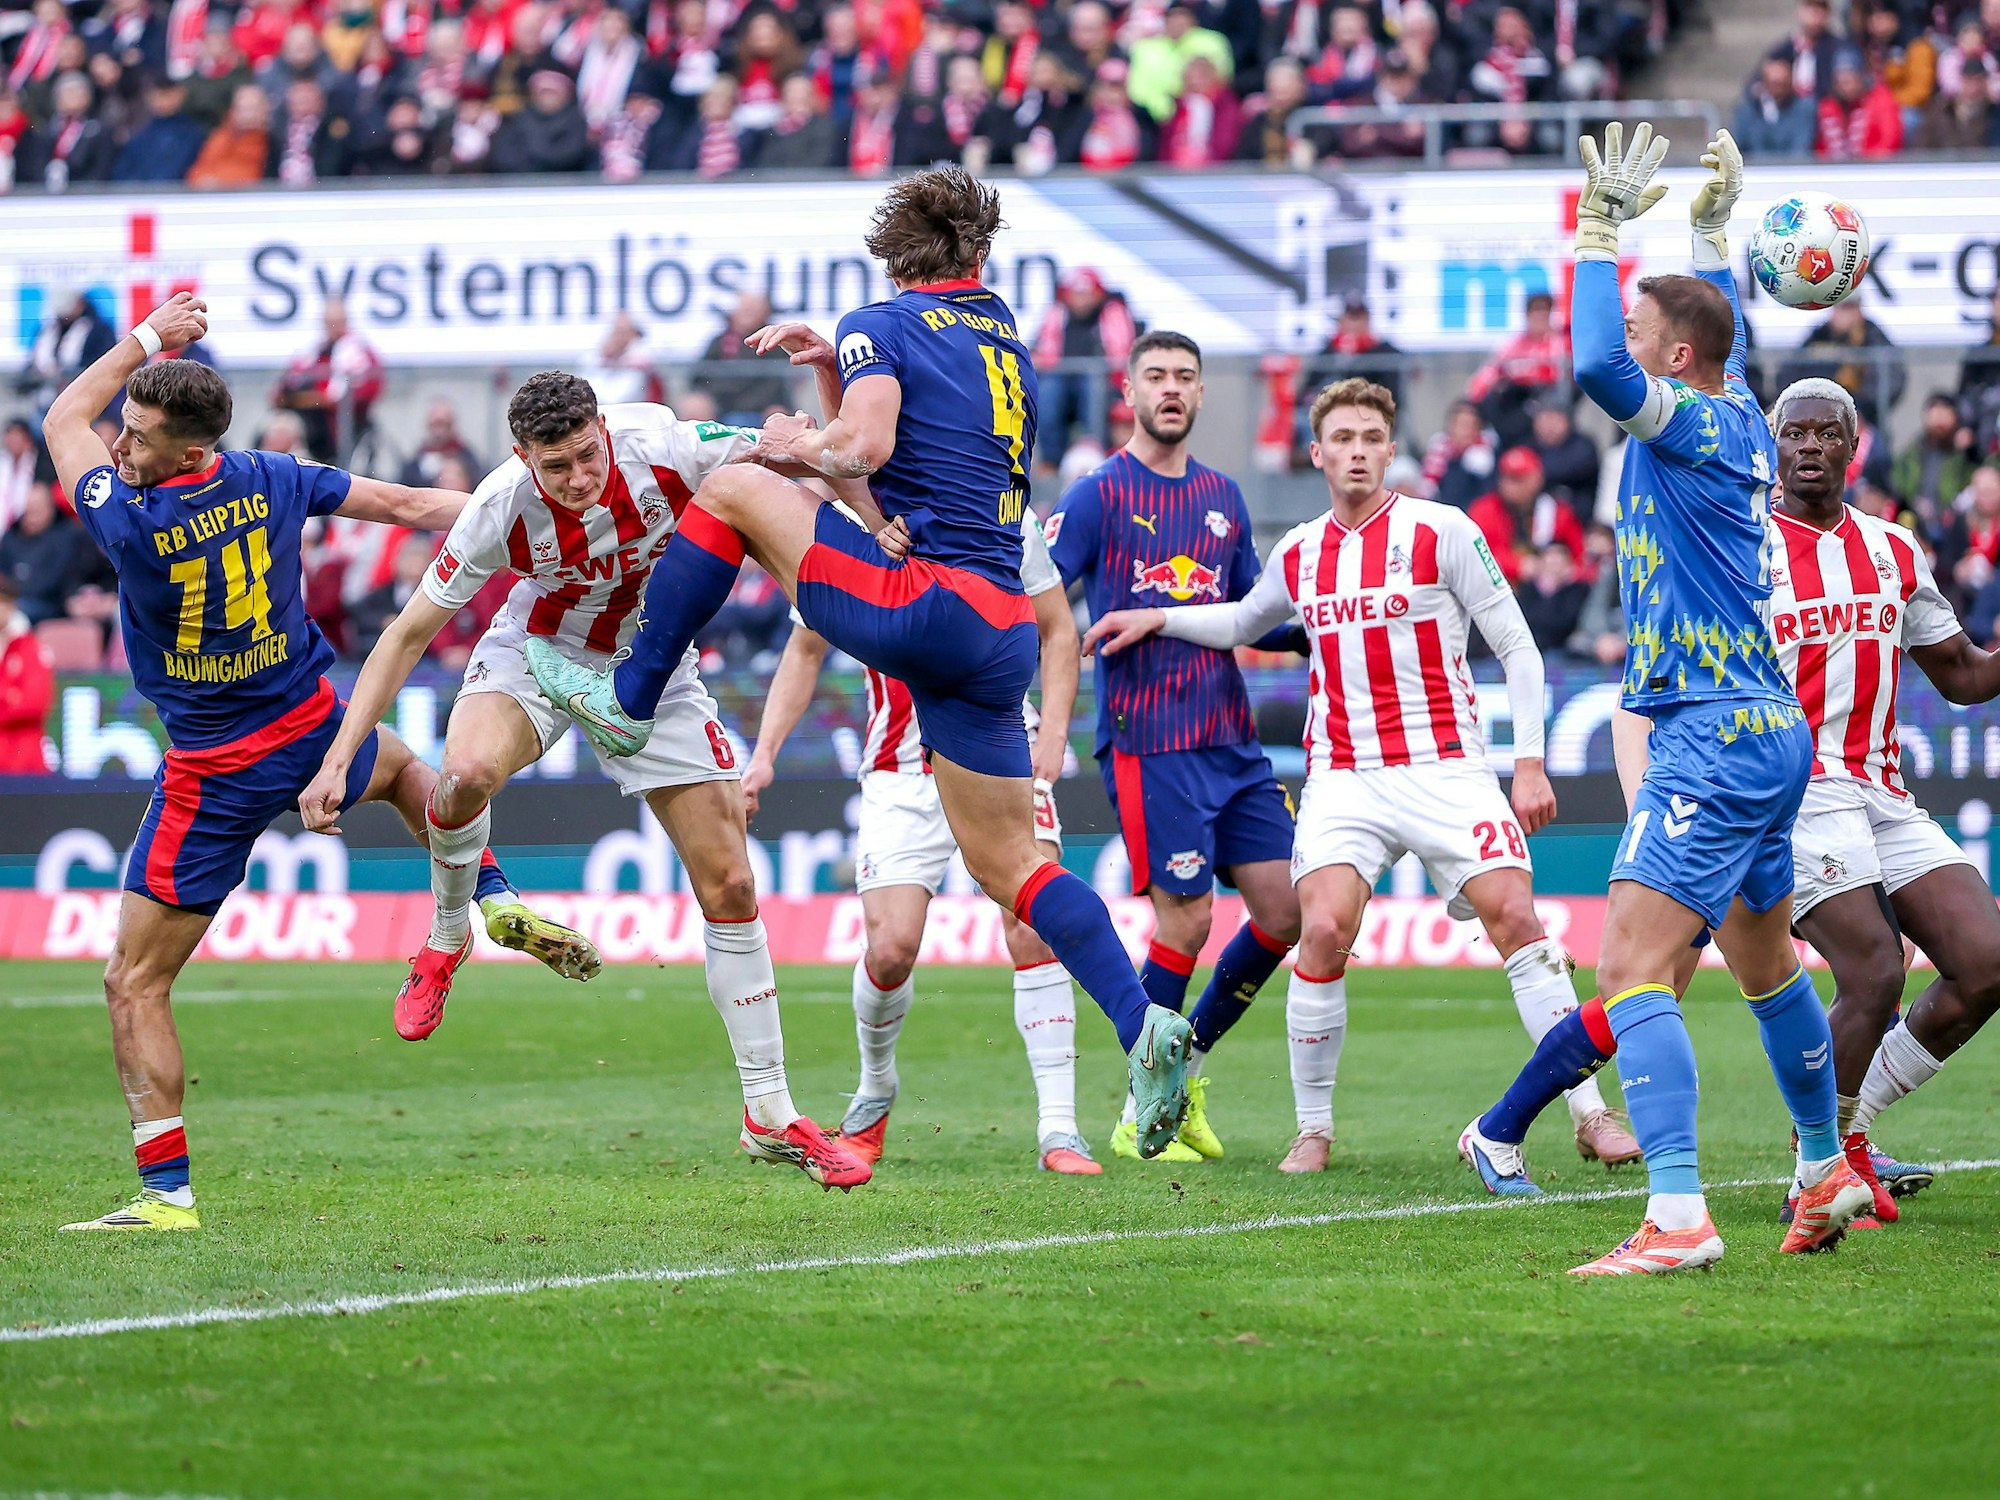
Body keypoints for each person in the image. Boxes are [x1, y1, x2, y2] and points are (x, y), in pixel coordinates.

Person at [524, 167, 1198, 1160]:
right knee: (1012, 865)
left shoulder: (875, 321)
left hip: (920, 605)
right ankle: (1140, 1024)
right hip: (994, 623)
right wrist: (830, 383)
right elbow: (906, 445)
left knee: (738, 484)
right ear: (974, 255)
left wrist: (803, 433)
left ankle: (629, 697)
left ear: (891, 253)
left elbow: (863, 446)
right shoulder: (999, 323)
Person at [40, 293, 595, 1234]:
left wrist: (146, 338)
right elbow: (416, 505)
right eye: (123, 432)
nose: (122, 447)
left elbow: (61, 417)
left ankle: (166, 1196)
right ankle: (490, 895)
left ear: (184, 452)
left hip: (212, 769)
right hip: (311, 725)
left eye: (137, 435)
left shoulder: (126, 517)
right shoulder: (269, 474)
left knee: (132, 983)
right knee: (415, 775)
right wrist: (547, 518)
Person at [1457, 125, 1871, 1274]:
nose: (1623, 347)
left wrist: (1593, 235)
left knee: (1627, 973)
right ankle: (1820, 1162)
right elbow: (1712, 335)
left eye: (1645, 335)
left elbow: (1596, 370)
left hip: (1707, 732)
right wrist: (1703, 233)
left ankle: (1677, 1217)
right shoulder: (1730, 403)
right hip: (1762, 727)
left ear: (1674, 360)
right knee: (1766, 965)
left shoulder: (1686, 417)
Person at [298, 375, 870, 1192]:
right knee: (462, 776)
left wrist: (881, 526)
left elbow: (805, 454)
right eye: (554, 466)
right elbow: (404, 636)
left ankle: (768, 1112)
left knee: (733, 880)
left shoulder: (672, 447)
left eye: (585, 454)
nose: (576, 477)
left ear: (606, 427)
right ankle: (449, 933)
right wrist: (335, 758)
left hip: (651, 668)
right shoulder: (498, 507)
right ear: (521, 459)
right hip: (535, 655)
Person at [1084, 377, 1639, 1175]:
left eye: (1370, 438)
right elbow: (1244, 621)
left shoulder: (1442, 530)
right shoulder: (1301, 550)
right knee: (1321, 929)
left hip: (1448, 767)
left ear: (1389, 449)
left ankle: (1591, 1112)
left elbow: (1517, 645)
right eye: (1340, 438)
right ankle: (1313, 1130)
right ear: (1317, 453)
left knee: (1516, 915)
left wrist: (1527, 761)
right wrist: (1160, 616)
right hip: (1346, 776)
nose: (1355, 451)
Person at [743, 508, 1103, 1175]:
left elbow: (1058, 629)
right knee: (890, 951)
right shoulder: (847, 524)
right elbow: (806, 647)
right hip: (900, 771)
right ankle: (876, 1088)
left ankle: (1060, 1127)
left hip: (1002, 750)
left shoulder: (1000, 511)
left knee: (1033, 929)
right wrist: (764, 754)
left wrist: (1053, 734)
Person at [1046, 331, 1303, 1164]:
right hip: (1152, 743)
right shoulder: (1096, 497)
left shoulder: (1223, 496)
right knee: (1186, 923)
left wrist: (1318, 628)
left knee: (1285, 911)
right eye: (1155, 376)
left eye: (1185, 378)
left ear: (1198, 395)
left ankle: (1180, 1071)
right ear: (1128, 391)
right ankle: (1140, 1105)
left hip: (1230, 743)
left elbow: (1253, 611)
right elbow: (1042, 602)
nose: (1171, 389)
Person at [1762, 378, 1999, 1220]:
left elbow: (1965, 675)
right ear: (1775, 445)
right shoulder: (1741, 547)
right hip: (1794, 791)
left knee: (1987, 962)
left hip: (1882, 791)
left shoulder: (1894, 552)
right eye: (1796, 433)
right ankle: (1815, 1166)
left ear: (1854, 448)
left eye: (1829, 432)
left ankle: (1846, 1131)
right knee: (1874, 970)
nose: (1812, 445)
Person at [1466, 446, 1586, 584]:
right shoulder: (1483, 510)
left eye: (1518, 479)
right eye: (1506, 477)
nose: (1509, 486)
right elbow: (1476, 555)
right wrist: (1519, 566)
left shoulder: (1557, 512)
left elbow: (1581, 560)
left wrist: (1564, 569)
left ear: (1537, 479)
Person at [0, 482, 83, 623]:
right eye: (28, 511)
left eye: (37, 511)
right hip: (11, 602)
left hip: (49, 606)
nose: (31, 517)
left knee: (16, 617)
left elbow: (57, 582)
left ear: (50, 509)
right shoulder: (11, 536)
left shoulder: (65, 538)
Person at [0, 575, 54, 773]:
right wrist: (9, 695)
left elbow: (34, 702)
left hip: (23, 762)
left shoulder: (30, 647)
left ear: (11, 606)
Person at [1732, 54, 1818, 156]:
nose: (1779, 89)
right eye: (1774, 84)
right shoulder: (1746, 111)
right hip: (1753, 170)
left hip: (1792, 169)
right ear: (1764, 83)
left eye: (1783, 84)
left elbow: (1801, 148)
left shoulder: (1804, 109)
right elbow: (1736, 148)